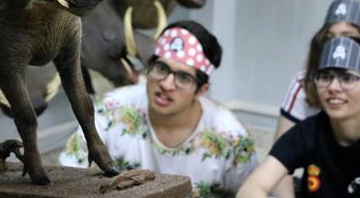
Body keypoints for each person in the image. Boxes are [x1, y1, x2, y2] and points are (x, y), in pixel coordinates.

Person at [59, 21, 258, 197]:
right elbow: (65, 179)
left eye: (183, 78)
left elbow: (252, 191)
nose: (166, 84)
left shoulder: (230, 137)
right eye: (161, 68)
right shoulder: (110, 109)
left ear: (201, 90)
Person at [236, 36, 360, 198]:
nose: (333, 87)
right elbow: (252, 188)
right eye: (325, 77)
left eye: (347, 78)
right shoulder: (308, 132)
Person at [271, 0, 360, 197]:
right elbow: (278, 165)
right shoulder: (304, 85)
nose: (338, 44)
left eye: (349, 36)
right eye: (329, 37)